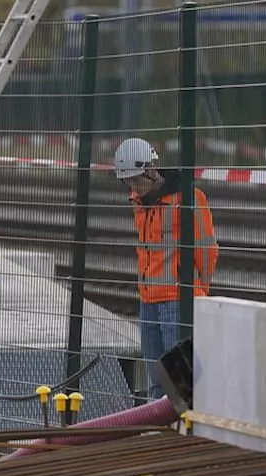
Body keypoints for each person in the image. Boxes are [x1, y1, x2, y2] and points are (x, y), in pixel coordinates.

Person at [112, 137, 219, 398]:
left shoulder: (189, 199)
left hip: (176, 300)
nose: (133, 187)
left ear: (151, 170)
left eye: (136, 180)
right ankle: (158, 430)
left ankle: (186, 430)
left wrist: (195, 292)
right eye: (128, 182)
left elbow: (206, 250)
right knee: (156, 380)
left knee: (181, 383)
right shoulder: (139, 201)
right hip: (148, 300)